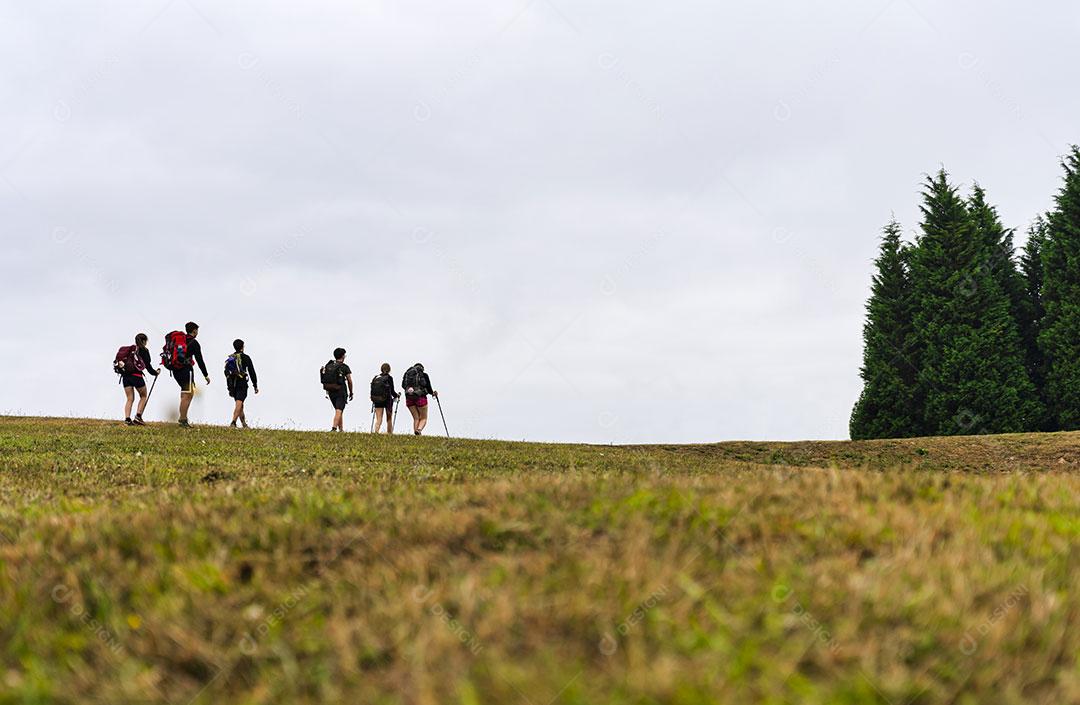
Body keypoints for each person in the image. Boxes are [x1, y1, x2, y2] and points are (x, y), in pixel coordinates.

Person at [168, 321, 210, 428]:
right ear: (194, 330)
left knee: (184, 394)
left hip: (175, 370)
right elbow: (200, 360)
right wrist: (206, 375)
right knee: (188, 395)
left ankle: (183, 418)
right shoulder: (194, 343)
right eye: (197, 330)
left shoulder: (180, 340)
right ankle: (183, 420)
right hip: (186, 370)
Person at [115, 333, 160, 426]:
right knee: (143, 396)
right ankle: (138, 417)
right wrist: (155, 373)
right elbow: (148, 366)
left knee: (129, 399)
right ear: (144, 341)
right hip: (136, 376)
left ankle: (127, 420)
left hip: (125, 376)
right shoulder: (144, 351)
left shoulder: (130, 350)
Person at [225, 339, 259, 428]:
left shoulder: (231, 358)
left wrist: (229, 385)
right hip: (241, 383)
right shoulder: (246, 357)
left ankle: (244, 424)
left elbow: (226, 372)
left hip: (233, 383)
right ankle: (233, 422)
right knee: (239, 402)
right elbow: (252, 371)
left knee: (240, 404)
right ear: (242, 347)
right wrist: (255, 385)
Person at [321, 347, 353, 432]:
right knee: (339, 410)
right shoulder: (344, 367)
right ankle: (334, 428)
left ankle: (341, 430)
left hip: (331, 391)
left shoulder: (329, 365)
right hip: (340, 391)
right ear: (342, 356)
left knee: (339, 410)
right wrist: (351, 392)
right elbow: (349, 380)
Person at [402, 362, 437, 435]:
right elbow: (428, 387)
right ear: (422, 369)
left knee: (416, 418)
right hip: (420, 398)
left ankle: (416, 435)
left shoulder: (407, 375)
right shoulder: (424, 375)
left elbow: (403, 386)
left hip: (409, 398)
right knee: (423, 418)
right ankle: (419, 430)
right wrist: (432, 393)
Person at [370, 363, 400, 434]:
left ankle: (376, 432)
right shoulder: (389, 378)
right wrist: (397, 396)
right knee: (389, 418)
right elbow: (392, 391)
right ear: (389, 370)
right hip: (387, 400)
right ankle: (389, 433)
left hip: (377, 399)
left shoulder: (376, 377)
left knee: (379, 418)